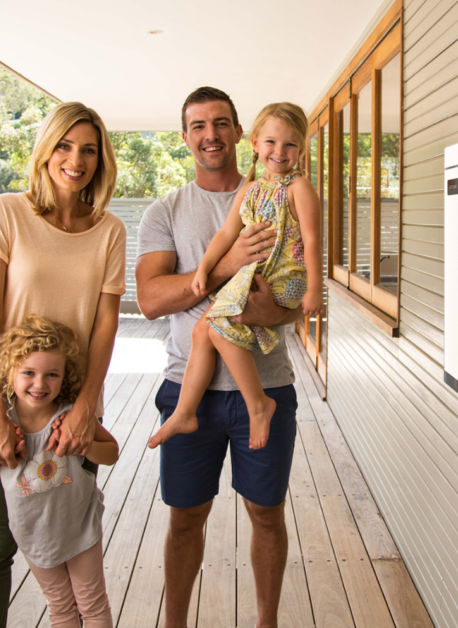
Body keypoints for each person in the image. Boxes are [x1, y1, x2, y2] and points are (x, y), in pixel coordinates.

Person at [136, 87, 303, 628]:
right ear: (185, 137)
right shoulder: (167, 211)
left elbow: (291, 303)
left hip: (267, 387)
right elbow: (150, 300)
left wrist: (260, 312)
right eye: (198, 125)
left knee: (267, 514)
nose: (210, 134)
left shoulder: (281, 197)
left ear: (239, 133)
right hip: (190, 388)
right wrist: (228, 263)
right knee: (185, 519)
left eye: (220, 123)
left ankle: (266, 623)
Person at [0, 102, 127, 627]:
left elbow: (105, 327)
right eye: (64, 145)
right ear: (45, 148)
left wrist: (85, 407)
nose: (75, 160)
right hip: (11, 405)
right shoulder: (3, 212)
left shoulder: (109, 231)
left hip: (72, 416)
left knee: (76, 538)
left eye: (88, 150)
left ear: (101, 160)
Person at [148, 102, 322, 451]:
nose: (279, 152)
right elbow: (226, 235)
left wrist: (315, 288)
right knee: (202, 331)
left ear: (301, 150)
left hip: (282, 278)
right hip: (261, 274)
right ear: (255, 143)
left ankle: (258, 404)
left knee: (214, 328)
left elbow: (314, 237)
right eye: (271, 142)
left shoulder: (298, 187)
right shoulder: (251, 189)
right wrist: (203, 268)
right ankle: (184, 411)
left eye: (290, 145)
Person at [0, 315, 118, 628]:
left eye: (52, 374)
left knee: (92, 605)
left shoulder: (70, 414)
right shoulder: (0, 422)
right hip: (33, 533)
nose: (40, 384)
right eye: (29, 373)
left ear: (65, 377)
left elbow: (111, 452)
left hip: (79, 528)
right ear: (9, 372)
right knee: (60, 606)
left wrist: (83, 445)